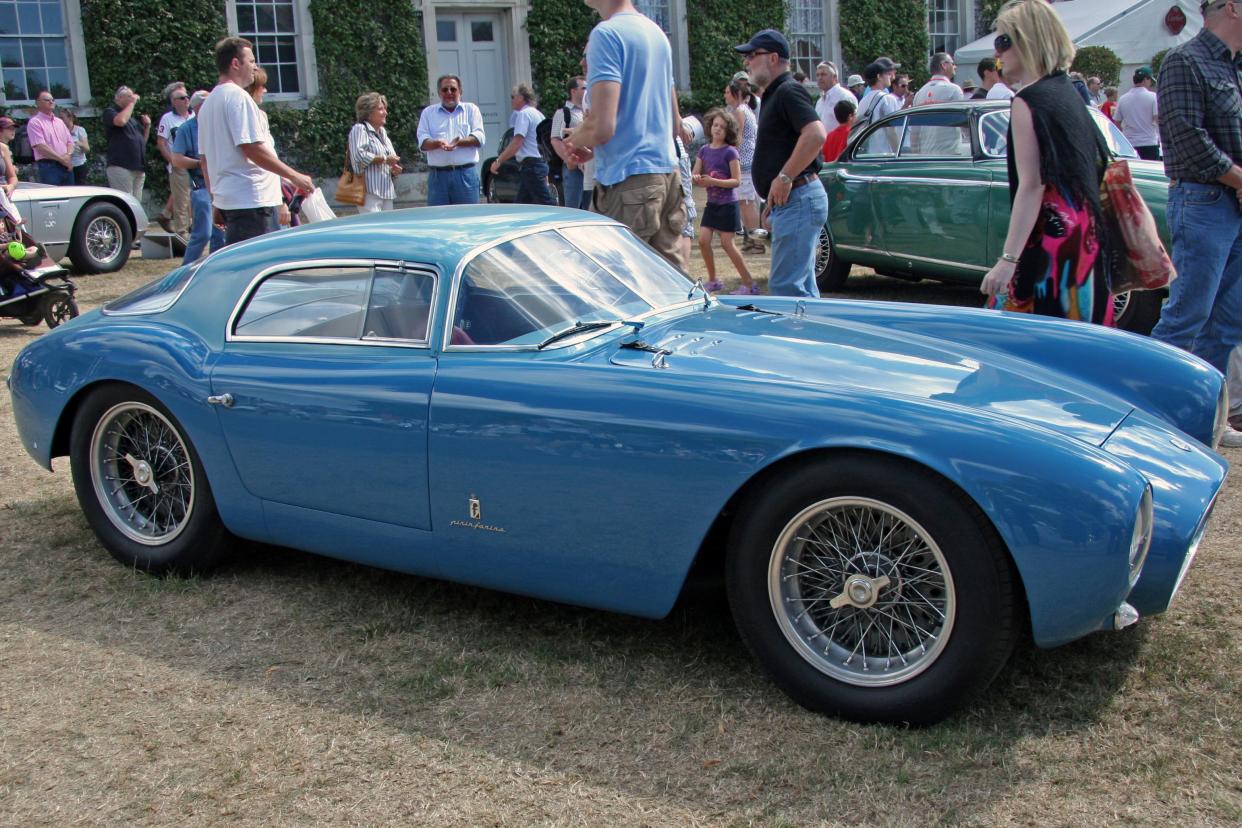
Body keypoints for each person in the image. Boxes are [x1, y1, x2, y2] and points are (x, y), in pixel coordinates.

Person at [979, 0, 1113, 326]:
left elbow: (1032, 185)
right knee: (1078, 349)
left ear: (1027, 41)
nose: (999, 55)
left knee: (1015, 350)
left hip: (1051, 249)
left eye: (1003, 41)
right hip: (1086, 241)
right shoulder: (1068, 93)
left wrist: (1007, 261)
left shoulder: (1029, 100)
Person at [1150, 0, 1242, 441]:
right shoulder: (1185, 60)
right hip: (1204, 199)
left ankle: (1205, 417)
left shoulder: (1233, 65)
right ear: (1231, 8)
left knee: (1228, 319)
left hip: (1229, 200)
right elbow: (1188, 141)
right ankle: (1146, 411)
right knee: (1189, 313)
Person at [565, 0, 688, 269]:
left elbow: (601, 127)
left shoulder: (606, 34)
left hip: (629, 183)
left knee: (609, 284)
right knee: (669, 285)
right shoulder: (656, 34)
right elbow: (672, 125)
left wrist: (575, 138)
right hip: (666, 175)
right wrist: (595, 146)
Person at [736, 28, 827, 297]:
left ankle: (798, 338)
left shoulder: (788, 91)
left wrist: (784, 178)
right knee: (800, 289)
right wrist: (771, 202)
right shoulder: (775, 94)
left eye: (753, 55)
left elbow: (816, 133)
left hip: (799, 195)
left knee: (787, 291)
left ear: (773, 58)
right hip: (793, 199)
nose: (747, 62)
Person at [198, 37, 313, 246]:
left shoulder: (208, 103)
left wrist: (217, 200)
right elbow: (251, 148)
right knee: (257, 269)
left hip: (236, 202)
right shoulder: (238, 98)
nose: (255, 67)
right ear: (235, 64)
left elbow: (205, 160)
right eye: (251, 61)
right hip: (252, 202)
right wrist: (294, 176)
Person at [693, 108, 758, 295]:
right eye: (715, 125)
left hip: (728, 205)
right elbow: (695, 173)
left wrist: (713, 181)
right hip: (712, 204)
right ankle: (713, 280)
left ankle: (749, 284)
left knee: (727, 244)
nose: (718, 129)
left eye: (722, 126)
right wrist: (696, 178)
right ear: (710, 127)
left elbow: (736, 181)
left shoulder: (730, 152)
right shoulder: (704, 150)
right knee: (704, 240)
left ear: (728, 130)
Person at [170, 90, 225, 264]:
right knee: (203, 233)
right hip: (200, 184)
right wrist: (200, 163)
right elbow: (176, 159)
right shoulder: (186, 129)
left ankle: (216, 267)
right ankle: (185, 272)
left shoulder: (220, 125)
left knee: (221, 233)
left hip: (222, 183)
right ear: (199, 107)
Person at [417, 75, 485, 206]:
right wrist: (437, 143)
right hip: (438, 177)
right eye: (445, 90)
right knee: (439, 220)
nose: (449, 93)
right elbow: (422, 142)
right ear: (439, 93)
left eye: (453, 89)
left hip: (465, 174)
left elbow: (479, 138)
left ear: (460, 91)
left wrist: (458, 143)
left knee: (468, 219)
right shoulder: (428, 113)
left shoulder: (471, 110)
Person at [490, 83, 554, 206]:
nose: (511, 100)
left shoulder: (523, 115)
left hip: (532, 167)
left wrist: (498, 161)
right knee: (523, 206)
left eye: (512, 97)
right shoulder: (538, 114)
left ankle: (560, 222)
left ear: (521, 97)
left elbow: (517, 143)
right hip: (537, 164)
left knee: (546, 204)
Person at [725, 76, 763, 253]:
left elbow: (737, 138)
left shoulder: (740, 110)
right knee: (745, 203)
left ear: (736, 94)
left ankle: (757, 242)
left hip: (745, 162)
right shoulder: (744, 109)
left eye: (727, 92)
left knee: (747, 203)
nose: (725, 96)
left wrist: (729, 158)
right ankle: (753, 241)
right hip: (749, 161)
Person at [349, 92, 402, 213]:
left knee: (387, 229)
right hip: (368, 192)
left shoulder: (382, 132)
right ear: (368, 113)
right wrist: (384, 159)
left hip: (386, 191)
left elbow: (390, 158)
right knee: (373, 228)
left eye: (385, 109)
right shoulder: (360, 129)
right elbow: (359, 156)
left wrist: (394, 168)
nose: (385, 113)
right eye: (380, 109)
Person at [155, 82, 192, 235]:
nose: (186, 100)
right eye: (182, 98)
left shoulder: (194, 115)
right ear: (174, 102)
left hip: (195, 163)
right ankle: (182, 232)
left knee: (195, 198)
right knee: (181, 200)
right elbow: (161, 143)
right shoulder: (167, 118)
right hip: (179, 164)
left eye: (187, 96)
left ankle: (193, 228)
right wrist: (173, 160)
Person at [102, 85, 150, 200]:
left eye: (132, 96)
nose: (132, 98)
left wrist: (147, 127)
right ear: (118, 98)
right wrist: (132, 103)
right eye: (129, 96)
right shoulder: (110, 112)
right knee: (126, 203)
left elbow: (142, 142)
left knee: (136, 205)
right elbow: (120, 121)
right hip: (121, 166)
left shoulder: (132, 120)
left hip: (137, 167)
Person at [551, 76, 590, 209]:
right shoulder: (563, 112)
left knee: (590, 208)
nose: (587, 90)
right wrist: (569, 159)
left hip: (589, 166)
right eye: (584, 88)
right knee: (573, 208)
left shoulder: (587, 110)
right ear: (573, 91)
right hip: (573, 168)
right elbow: (555, 139)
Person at [27, 89, 74, 186]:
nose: (51, 102)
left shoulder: (59, 122)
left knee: (70, 197)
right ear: (38, 103)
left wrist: (68, 156)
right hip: (49, 166)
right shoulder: (35, 122)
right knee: (54, 198)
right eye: (47, 99)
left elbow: (70, 142)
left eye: (52, 99)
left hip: (66, 165)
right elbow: (40, 146)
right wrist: (62, 159)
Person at [1115, 66, 1161, 161]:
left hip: (1130, 144)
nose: (1150, 83)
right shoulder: (1152, 97)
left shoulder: (1123, 99)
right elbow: (1158, 119)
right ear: (1145, 80)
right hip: (1149, 143)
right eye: (1150, 80)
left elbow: (1117, 123)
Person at [853, 58, 902, 136]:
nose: (889, 76)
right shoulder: (887, 99)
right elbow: (892, 131)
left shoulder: (863, 100)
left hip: (868, 147)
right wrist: (898, 147)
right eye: (887, 74)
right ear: (879, 76)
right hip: (884, 147)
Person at [814, 61, 853, 130]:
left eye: (823, 74)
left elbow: (853, 125)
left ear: (834, 77)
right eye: (817, 75)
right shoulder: (820, 101)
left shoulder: (845, 97)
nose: (819, 78)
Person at [61, 109, 89, 185]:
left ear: (70, 118)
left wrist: (79, 143)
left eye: (62, 118)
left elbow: (87, 149)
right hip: (65, 165)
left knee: (80, 188)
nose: (60, 120)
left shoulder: (80, 130)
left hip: (79, 165)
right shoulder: (60, 131)